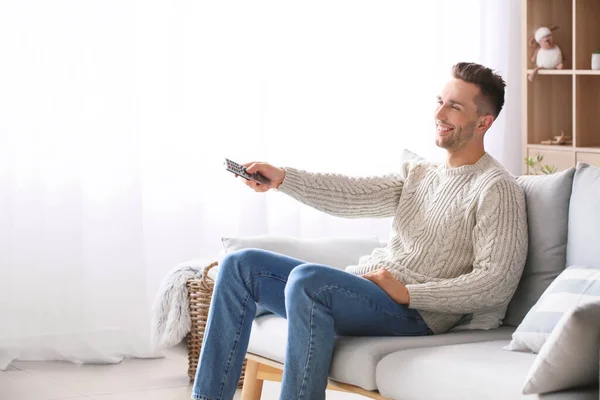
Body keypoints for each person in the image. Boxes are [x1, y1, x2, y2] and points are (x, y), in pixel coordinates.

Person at [191, 62, 528, 400]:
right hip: (365, 291)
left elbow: (495, 284)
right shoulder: (420, 174)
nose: (439, 112)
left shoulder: (496, 188)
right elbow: (350, 194)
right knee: (240, 265)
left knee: (309, 280)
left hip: (415, 312)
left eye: (454, 106)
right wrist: (282, 178)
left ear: (484, 122)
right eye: (439, 100)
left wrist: (408, 293)